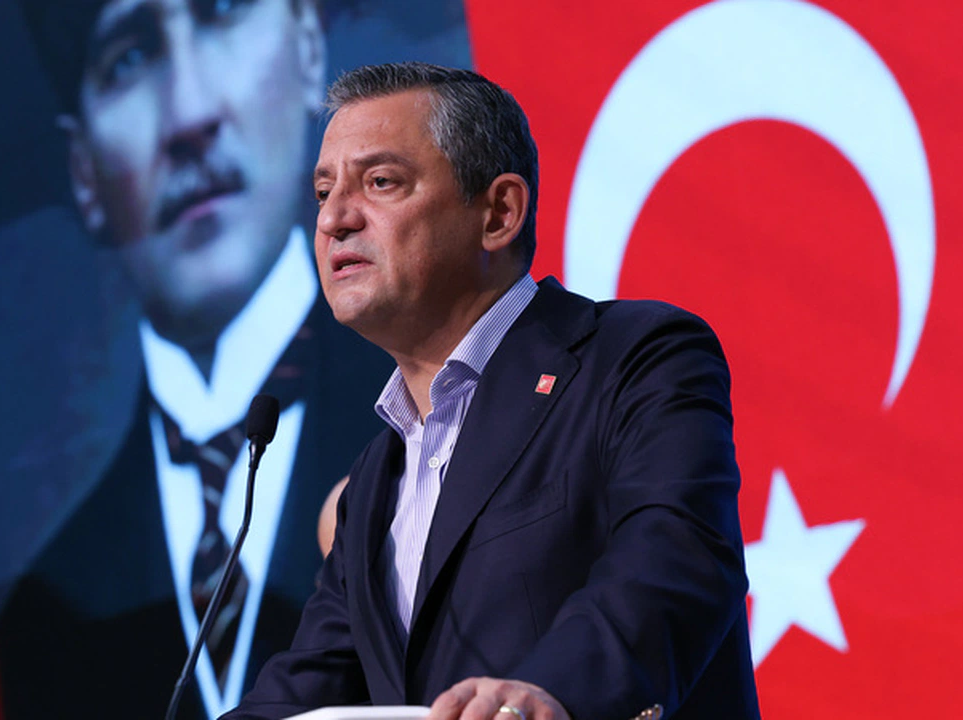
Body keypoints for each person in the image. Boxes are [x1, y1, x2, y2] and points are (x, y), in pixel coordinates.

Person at [224, 62, 760, 720]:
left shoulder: (634, 359)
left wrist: (554, 692)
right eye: (323, 192)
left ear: (499, 213)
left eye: (381, 182)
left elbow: (674, 560)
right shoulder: (373, 484)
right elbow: (308, 687)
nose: (334, 218)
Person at [0, 1, 392, 718]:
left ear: (309, 49)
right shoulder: (44, 618)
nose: (189, 116)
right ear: (83, 172)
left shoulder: (450, 434)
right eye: (128, 58)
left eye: (223, 12)